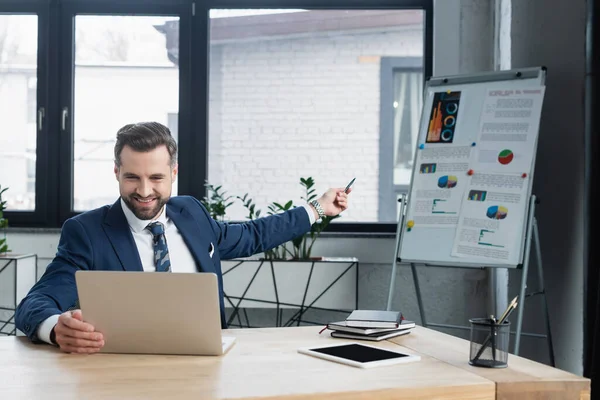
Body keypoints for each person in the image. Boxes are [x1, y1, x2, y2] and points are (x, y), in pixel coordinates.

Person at [15, 122, 350, 354]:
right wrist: (56, 329)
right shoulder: (87, 233)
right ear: (116, 172)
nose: (144, 191)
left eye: (156, 177)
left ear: (174, 173)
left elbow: (251, 235)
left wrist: (316, 209)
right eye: (132, 177)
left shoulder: (191, 213)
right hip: (124, 378)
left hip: (207, 369)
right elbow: (34, 303)